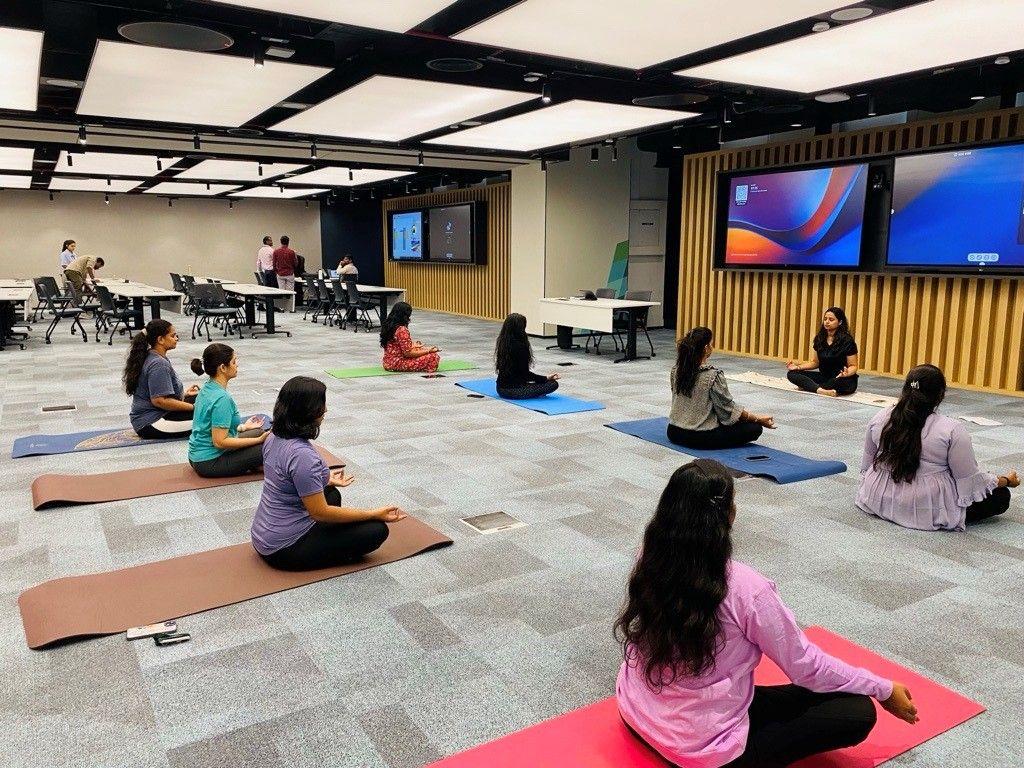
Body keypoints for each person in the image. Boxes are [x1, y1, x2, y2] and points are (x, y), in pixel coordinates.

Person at [616, 459, 919, 768]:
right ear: (729, 517)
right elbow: (806, 667)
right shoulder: (747, 590)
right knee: (857, 711)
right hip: (701, 750)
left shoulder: (650, 555)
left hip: (636, 712)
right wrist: (882, 688)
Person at [252, 376, 406, 571]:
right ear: (308, 411)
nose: (325, 410)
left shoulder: (274, 436)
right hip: (282, 550)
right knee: (376, 530)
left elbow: (284, 479)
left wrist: (324, 479)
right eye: (321, 404)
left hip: (262, 535)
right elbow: (320, 513)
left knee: (332, 493)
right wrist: (373, 514)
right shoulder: (302, 455)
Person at [857, 364, 1017, 531]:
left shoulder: (880, 416)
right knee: (1001, 495)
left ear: (905, 390)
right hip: (923, 505)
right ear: (940, 395)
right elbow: (968, 481)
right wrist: (1005, 481)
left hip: (875, 496)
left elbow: (867, 463)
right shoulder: (952, 429)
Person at [667, 327, 774, 450]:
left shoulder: (676, 370)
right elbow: (727, 410)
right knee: (754, 428)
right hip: (699, 437)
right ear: (706, 348)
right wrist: (757, 418)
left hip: (674, 432)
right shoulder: (713, 375)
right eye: (710, 344)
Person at [188, 343, 267, 478]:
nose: (237, 365)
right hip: (210, 462)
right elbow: (219, 442)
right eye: (234, 362)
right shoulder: (221, 399)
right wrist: (259, 440)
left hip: (196, 456)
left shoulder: (208, 387)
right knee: (268, 446)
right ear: (223, 368)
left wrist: (244, 427)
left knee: (258, 431)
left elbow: (209, 426)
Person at [124, 319, 199, 439]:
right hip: (152, 424)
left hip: (154, 418)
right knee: (213, 418)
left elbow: (156, 393)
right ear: (160, 339)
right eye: (173, 335)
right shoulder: (158, 364)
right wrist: (195, 407)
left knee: (204, 399)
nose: (176, 338)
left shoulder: (153, 356)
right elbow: (159, 401)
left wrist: (184, 395)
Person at [786, 307, 859, 397]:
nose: (827, 322)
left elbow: (853, 366)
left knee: (838, 382)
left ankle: (810, 386)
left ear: (840, 322)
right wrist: (797, 367)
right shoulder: (820, 338)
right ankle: (821, 390)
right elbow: (815, 362)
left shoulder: (847, 341)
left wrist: (847, 373)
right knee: (792, 374)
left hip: (841, 378)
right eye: (825, 319)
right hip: (824, 377)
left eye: (831, 319)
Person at [494, 312, 559, 399]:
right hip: (514, 390)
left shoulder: (503, 342)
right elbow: (524, 374)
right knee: (553, 384)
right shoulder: (519, 346)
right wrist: (545, 378)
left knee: (541, 384)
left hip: (500, 388)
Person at [380, 302, 440, 373]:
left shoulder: (388, 325)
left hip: (388, 362)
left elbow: (396, 346)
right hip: (397, 363)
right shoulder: (401, 329)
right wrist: (428, 351)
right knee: (433, 357)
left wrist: (414, 346)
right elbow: (407, 353)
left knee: (418, 348)